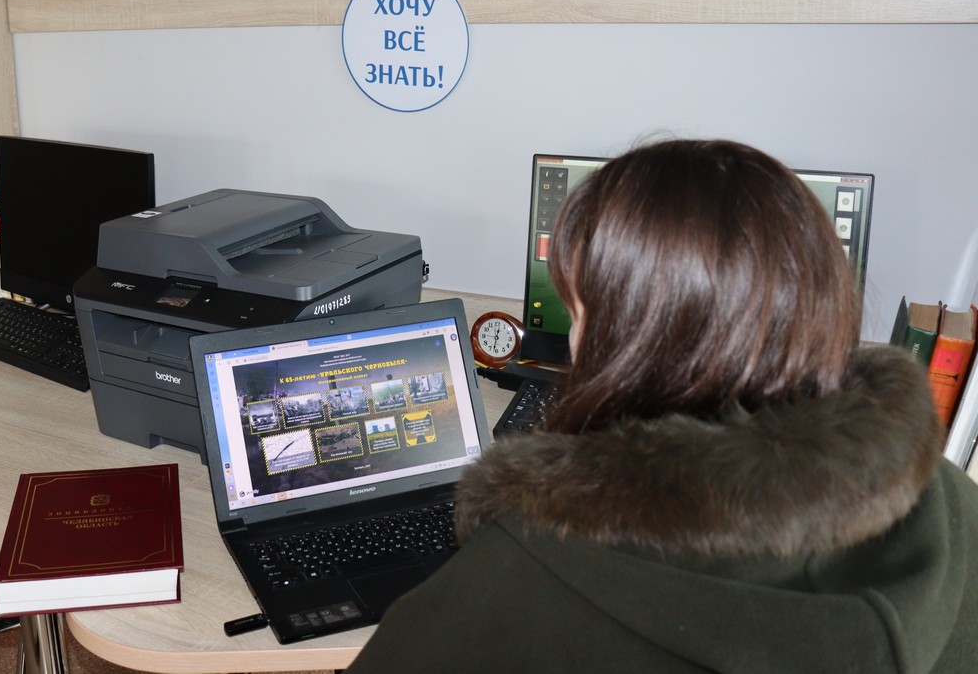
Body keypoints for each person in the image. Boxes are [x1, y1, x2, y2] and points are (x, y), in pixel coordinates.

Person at [346, 138, 978, 673]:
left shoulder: (524, 570)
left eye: (580, 310)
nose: (573, 338)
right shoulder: (948, 505)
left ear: (633, 341)